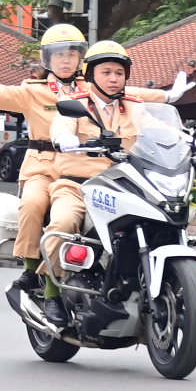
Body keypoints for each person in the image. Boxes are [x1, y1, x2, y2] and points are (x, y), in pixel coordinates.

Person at [0, 23, 189, 305]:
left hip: (88, 167)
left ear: (81, 59)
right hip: (43, 165)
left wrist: (167, 97)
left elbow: (129, 93)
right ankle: (30, 270)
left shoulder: (91, 86)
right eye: (59, 55)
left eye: (71, 54)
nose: (65, 60)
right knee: (33, 205)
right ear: (48, 59)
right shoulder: (33, 91)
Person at [37, 40, 157, 324]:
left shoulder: (134, 108)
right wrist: (65, 139)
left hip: (122, 184)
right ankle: (50, 293)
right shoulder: (75, 105)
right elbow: (61, 125)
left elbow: (158, 129)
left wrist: (191, 140)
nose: (114, 78)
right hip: (77, 186)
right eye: (106, 72)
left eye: (119, 72)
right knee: (64, 223)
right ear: (91, 74)